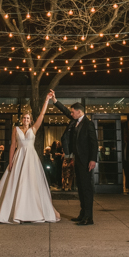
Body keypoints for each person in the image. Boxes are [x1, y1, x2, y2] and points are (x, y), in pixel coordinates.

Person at [0, 91, 60, 223]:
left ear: (30, 121)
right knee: (16, 183)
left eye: (28, 118)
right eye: (24, 118)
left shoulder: (34, 129)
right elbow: (13, 145)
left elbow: (42, 115)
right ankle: (13, 212)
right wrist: (10, 161)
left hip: (31, 159)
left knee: (31, 184)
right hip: (19, 157)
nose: (25, 120)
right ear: (21, 119)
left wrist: (47, 99)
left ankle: (32, 212)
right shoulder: (16, 129)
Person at [52, 94, 98, 225]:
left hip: (86, 161)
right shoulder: (75, 121)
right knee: (81, 188)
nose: (71, 113)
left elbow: (94, 143)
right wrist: (55, 100)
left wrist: (93, 160)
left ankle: (88, 217)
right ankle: (83, 213)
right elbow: (65, 111)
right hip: (77, 160)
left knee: (86, 188)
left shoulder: (88, 124)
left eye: (73, 112)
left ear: (79, 112)